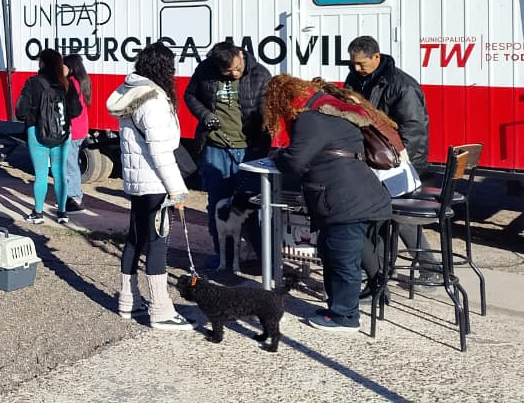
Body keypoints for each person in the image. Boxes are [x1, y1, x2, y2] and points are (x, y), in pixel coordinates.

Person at [264, 74, 392, 332]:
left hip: (343, 198)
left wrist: (278, 156)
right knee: (334, 251)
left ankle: (345, 316)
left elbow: (295, 162)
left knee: (341, 257)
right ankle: (340, 306)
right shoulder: (334, 113)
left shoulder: (310, 119)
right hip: (358, 193)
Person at [106, 42, 194, 330]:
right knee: (158, 243)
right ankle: (160, 308)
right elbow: (160, 150)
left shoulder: (129, 91)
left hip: (136, 180)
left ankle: (128, 301)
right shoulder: (153, 99)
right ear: (163, 68)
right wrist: (177, 189)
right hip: (156, 180)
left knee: (135, 238)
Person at [344, 35, 440, 284]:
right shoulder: (356, 78)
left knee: (393, 213)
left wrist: (399, 165)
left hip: (398, 161)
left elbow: (414, 130)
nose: (356, 68)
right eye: (353, 63)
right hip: (372, 158)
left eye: (361, 64)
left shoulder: (402, 85)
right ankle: (385, 268)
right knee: (383, 214)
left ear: (376, 57)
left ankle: (422, 266)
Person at [184, 41, 271, 269]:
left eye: (236, 68)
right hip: (215, 148)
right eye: (227, 72)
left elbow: (267, 113)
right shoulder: (205, 71)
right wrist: (204, 115)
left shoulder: (260, 74)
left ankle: (262, 258)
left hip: (248, 150)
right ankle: (222, 256)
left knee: (253, 204)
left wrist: (262, 147)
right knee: (217, 204)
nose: (233, 73)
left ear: (241, 55)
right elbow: (189, 96)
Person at [14, 48, 83, 225]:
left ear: (42, 63)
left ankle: (38, 213)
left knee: (41, 174)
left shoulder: (32, 82)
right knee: (60, 173)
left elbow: (20, 112)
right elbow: (76, 111)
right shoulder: (65, 84)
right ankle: (62, 212)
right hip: (62, 134)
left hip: (36, 133)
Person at [63, 53, 92, 213]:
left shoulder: (71, 84)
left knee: (70, 165)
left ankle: (74, 197)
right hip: (81, 129)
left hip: (72, 130)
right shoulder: (83, 82)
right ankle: (74, 194)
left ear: (71, 67)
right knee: (73, 163)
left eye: (64, 66)